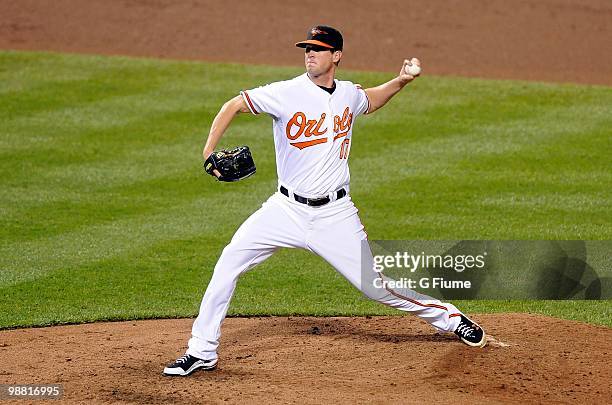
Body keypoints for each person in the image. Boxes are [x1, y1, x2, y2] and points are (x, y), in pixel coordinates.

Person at [163, 25, 486, 377]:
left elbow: (371, 100)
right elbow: (234, 104)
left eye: (318, 48)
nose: (310, 54)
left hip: (335, 214)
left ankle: (451, 318)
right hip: (285, 210)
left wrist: (402, 81)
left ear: (336, 56)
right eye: (307, 48)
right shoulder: (285, 92)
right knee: (229, 262)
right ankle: (201, 351)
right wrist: (209, 151)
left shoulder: (347, 93)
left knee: (376, 287)